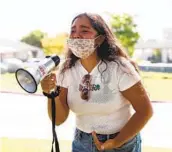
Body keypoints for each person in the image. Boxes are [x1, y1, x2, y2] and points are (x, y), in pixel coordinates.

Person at [41, 13, 153, 152]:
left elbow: (145, 111)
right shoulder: (66, 70)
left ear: (100, 39)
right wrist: (51, 93)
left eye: (84, 30)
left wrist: (116, 142)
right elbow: (58, 120)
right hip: (82, 143)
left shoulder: (120, 68)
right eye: (73, 30)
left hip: (122, 144)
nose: (76, 35)